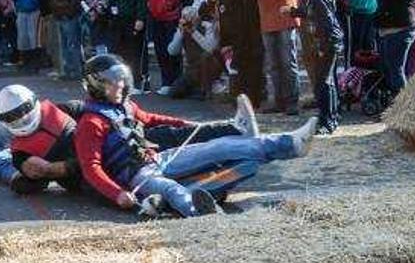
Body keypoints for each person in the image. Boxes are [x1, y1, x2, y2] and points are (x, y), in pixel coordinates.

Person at [74, 54, 316, 217]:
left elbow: (152, 119)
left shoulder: (125, 106)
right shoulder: (90, 122)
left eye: (122, 81)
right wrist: (117, 195)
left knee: (221, 146)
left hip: (158, 159)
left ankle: (290, 144)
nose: (121, 86)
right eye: (114, 82)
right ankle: (202, 214)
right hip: (137, 177)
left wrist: (188, 125)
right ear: (96, 85)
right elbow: (91, 168)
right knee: (170, 189)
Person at [0, 84, 253, 195]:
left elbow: (102, 111)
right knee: (157, 175)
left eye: (23, 111)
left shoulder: (63, 109)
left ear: (33, 103)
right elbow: (45, 176)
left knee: (166, 135)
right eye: (14, 116)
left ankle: (234, 129)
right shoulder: (21, 154)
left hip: (115, 147)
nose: (21, 118)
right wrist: (48, 172)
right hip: (95, 173)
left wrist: (126, 119)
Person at [239, 0, 301, 115]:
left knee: (288, 62)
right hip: (266, 22)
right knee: (273, 65)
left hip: (285, 20)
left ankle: (292, 101)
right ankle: (278, 100)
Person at [282, 0, 344, 134]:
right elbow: (306, 12)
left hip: (327, 43)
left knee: (323, 83)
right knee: (326, 82)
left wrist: (324, 47)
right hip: (323, 43)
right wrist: (292, 11)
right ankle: (331, 116)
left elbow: (327, 24)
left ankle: (328, 121)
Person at [219, 0, 266, 108]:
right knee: (240, 65)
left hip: (250, 27)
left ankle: (254, 99)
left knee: (252, 64)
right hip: (235, 29)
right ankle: (243, 99)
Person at [145, 0, 181, 96]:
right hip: (155, 18)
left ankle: (176, 82)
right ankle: (166, 82)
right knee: (159, 51)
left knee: (171, 51)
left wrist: (165, 7)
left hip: (169, 18)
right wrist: (150, 8)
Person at [112, 0, 147, 93]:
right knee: (124, 53)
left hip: (134, 19)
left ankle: (139, 84)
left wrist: (140, 18)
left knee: (135, 53)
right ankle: (128, 82)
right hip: (122, 20)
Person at [45, 0, 82, 79]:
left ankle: (76, 72)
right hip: (59, 16)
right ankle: (68, 71)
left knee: (72, 45)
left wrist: (68, 13)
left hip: (68, 17)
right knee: (65, 46)